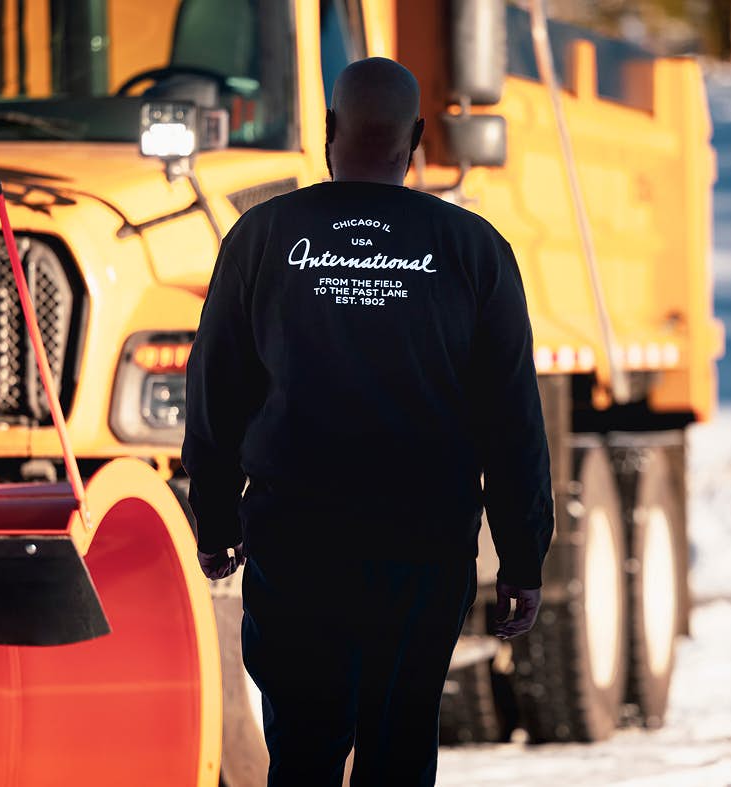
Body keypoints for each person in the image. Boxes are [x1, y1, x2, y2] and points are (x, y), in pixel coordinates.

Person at [182, 57, 553, 787]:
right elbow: (512, 418)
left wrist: (217, 516)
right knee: (400, 744)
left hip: (297, 542)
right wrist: (521, 556)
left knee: (305, 747)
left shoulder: (261, 236)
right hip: (423, 546)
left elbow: (215, 391)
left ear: (329, 130)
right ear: (416, 136)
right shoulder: (474, 249)